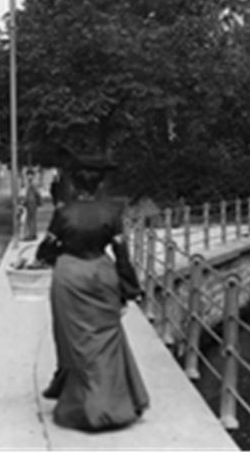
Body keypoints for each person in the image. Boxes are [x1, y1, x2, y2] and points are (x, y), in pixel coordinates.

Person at [36, 164, 148, 432]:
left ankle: (73, 395)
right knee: (106, 336)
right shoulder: (111, 212)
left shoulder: (63, 212)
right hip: (101, 273)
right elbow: (122, 255)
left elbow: (46, 252)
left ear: (74, 185)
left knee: (72, 337)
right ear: (99, 185)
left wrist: (56, 252)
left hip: (70, 276)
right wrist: (131, 289)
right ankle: (115, 401)